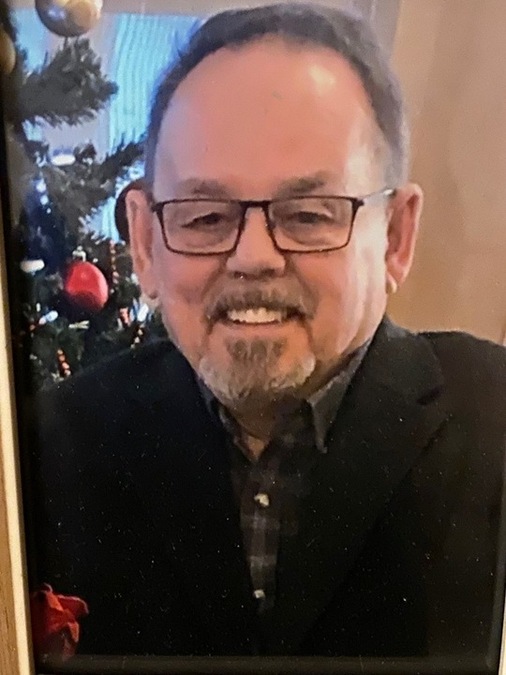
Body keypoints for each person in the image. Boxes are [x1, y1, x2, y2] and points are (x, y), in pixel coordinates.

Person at [29, 2, 506, 662]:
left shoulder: (496, 426)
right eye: (203, 216)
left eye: (309, 214)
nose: (253, 257)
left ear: (395, 237)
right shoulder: (44, 451)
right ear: (143, 242)